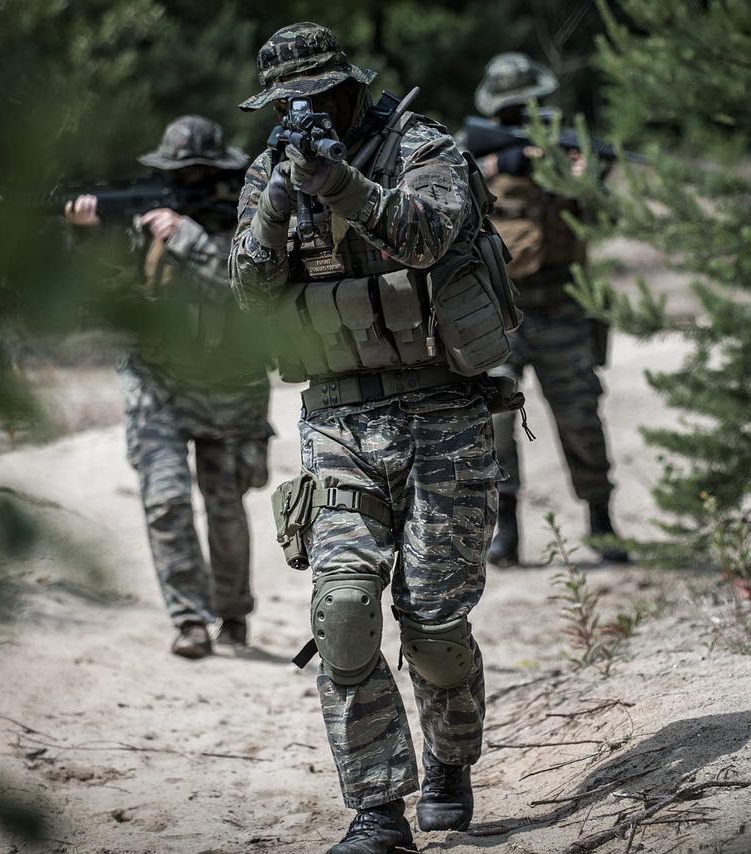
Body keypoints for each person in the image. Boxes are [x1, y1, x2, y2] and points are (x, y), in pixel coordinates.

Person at [229, 22, 516, 854]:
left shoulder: (421, 146)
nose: (304, 113)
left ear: (350, 88)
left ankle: (452, 758)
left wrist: (340, 182)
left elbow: (429, 234)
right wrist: (283, 201)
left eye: (317, 97)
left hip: (443, 416)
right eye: (287, 104)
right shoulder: (267, 174)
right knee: (344, 611)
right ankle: (377, 808)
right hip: (339, 422)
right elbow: (250, 297)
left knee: (430, 623)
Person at [64, 116, 275, 660]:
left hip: (231, 385)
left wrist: (185, 236)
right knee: (166, 502)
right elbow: (111, 289)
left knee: (225, 507)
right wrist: (87, 236)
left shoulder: (254, 221)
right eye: (184, 173)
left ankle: (232, 614)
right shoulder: (149, 222)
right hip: (157, 380)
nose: (194, 183)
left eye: (203, 173)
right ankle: (190, 621)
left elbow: (243, 293)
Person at [464, 52, 630, 567]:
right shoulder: (469, 155)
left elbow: (607, 221)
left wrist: (584, 179)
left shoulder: (566, 151)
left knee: (581, 417)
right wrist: (500, 166)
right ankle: (506, 527)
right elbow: (444, 213)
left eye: (529, 106)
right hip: (498, 311)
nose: (522, 115)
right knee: (494, 422)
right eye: (513, 110)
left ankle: (601, 521)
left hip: (564, 306)